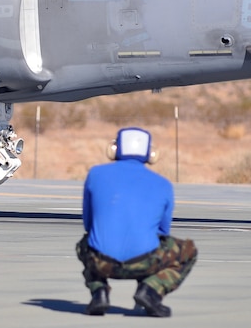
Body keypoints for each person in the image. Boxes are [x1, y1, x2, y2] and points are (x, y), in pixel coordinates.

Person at [76, 127, 197, 317]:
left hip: (101, 262)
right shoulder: (163, 183)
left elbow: (88, 223)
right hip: (145, 262)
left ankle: (99, 292)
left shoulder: (95, 174)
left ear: (114, 149)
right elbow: (163, 231)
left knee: (85, 244)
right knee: (187, 251)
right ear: (151, 154)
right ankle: (151, 291)